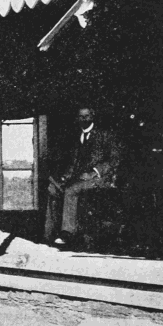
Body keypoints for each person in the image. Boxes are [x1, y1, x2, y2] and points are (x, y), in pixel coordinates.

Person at [48, 107, 122, 249]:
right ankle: (49, 233)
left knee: (71, 190)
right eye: (81, 117)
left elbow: (114, 160)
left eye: (86, 116)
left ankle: (67, 233)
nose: (84, 120)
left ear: (92, 116)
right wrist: (65, 176)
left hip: (100, 179)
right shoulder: (78, 137)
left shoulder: (105, 135)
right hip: (79, 178)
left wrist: (94, 172)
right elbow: (74, 162)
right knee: (52, 188)